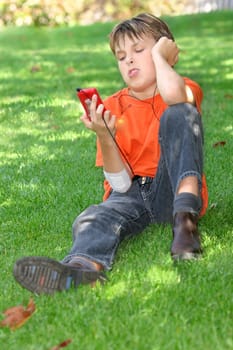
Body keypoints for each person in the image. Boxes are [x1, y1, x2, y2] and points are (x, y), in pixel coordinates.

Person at [13, 13, 208, 295]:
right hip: (131, 195)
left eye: (139, 51)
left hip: (172, 190)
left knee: (180, 114)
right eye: (121, 56)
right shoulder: (113, 106)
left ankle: (185, 224)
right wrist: (105, 134)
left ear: (166, 50)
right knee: (92, 218)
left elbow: (176, 99)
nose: (128, 59)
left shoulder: (185, 87)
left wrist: (161, 60)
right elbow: (120, 185)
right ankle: (82, 270)